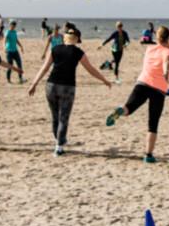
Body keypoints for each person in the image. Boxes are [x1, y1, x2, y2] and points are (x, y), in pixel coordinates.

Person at [27, 25, 112, 155]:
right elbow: (91, 69)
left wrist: (34, 83)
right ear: (77, 39)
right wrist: (104, 80)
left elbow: (44, 68)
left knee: (55, 117)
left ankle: (59, 140)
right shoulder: (78, 52)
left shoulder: (55, 49)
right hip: (67, 87)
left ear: (65, 38)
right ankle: (59, 147)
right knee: (63, 118)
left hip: (51, 86)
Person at [106, 26, 169, 162]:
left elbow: (163, 47)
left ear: (157, 37)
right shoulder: (168, 51)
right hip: (158, 89)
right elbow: (166, 59)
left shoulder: (150, 48)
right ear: (168, 38)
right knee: (153, 123)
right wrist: (166, 72)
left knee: (129, 108)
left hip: (142, 83)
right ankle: (148, 155)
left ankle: (121, 110)